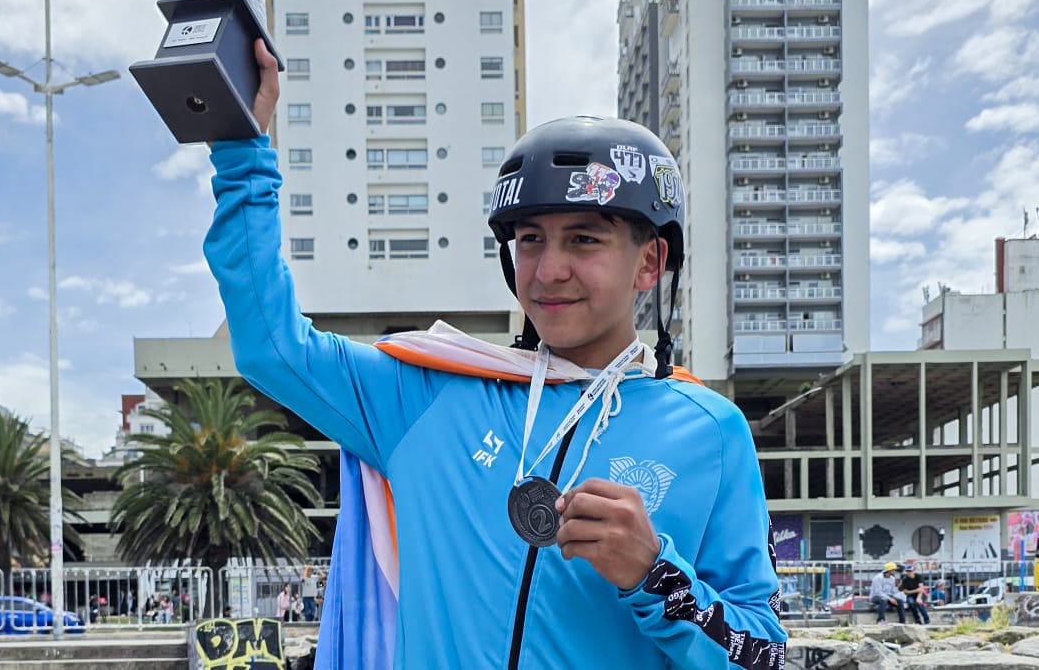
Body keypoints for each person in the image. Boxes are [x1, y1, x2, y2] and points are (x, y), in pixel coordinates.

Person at [202, 41, 787, 668]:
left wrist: (654, 576)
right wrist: (242, 149)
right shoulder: (426, 397)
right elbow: (271, 346)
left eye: (584, 239)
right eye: (530, 240)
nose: (549, 270)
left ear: (649, 263)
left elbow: (763, 656)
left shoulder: (710, 430)